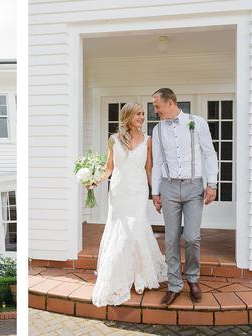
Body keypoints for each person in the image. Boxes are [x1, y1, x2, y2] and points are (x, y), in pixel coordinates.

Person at [92, 102, 167, 307]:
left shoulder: (149, 140)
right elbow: (109, 168)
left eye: (143, 114)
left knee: (135, 228)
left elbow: (149, 169)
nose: (142, 117)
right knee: (120, 230)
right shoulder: (114, 139)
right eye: (138, 114)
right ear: (128, 117)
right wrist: (95, 179)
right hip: (118, 190)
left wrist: (156, 193)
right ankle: (120, 275)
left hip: (138, 190)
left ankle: (139, 275)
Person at [151, 88, 217, 306]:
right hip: (169, 188)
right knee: (170, 239)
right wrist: (155, 192)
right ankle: (173, 285)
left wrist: (212, 184)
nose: (155, 111)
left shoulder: (197, 122)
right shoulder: (158, 130)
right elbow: (158, 163)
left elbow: (209, 153)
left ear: (170, 103)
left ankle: (193, 279)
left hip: (193, 186)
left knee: (191, 237)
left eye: (157, 106)